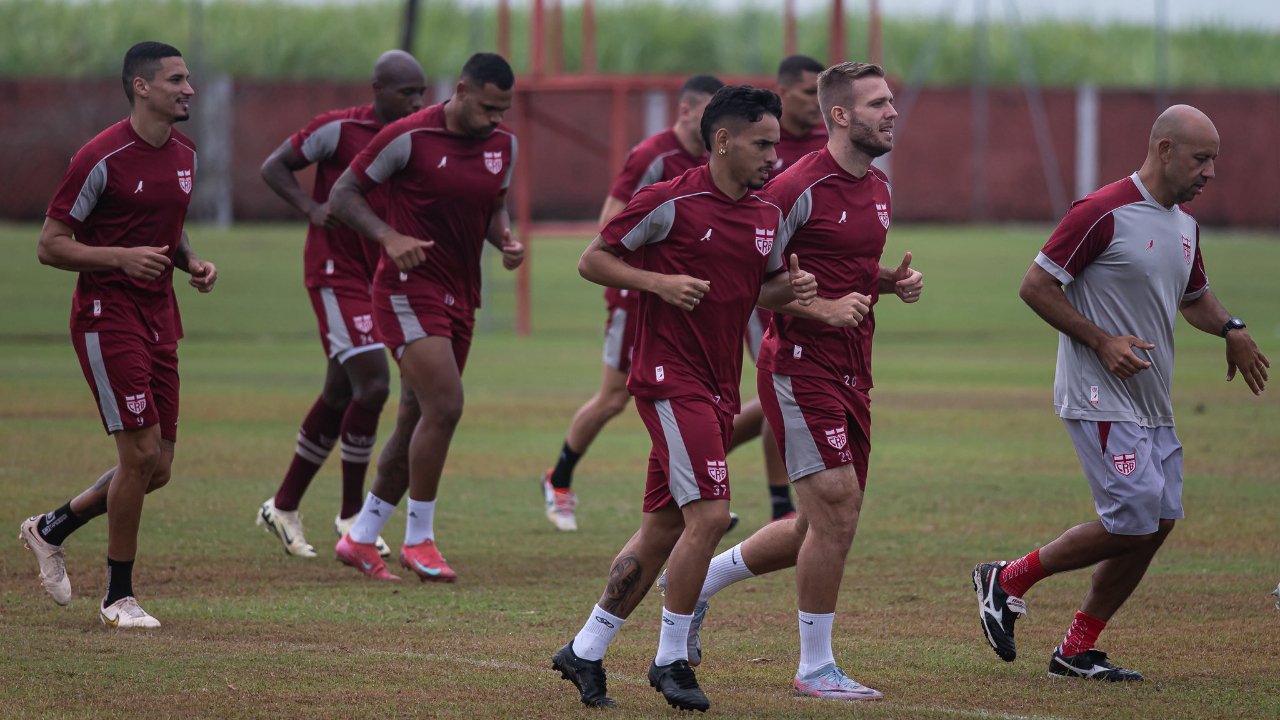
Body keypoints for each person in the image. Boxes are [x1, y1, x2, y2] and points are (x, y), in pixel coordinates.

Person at [972, 104, 1269, 681]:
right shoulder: (1102, 210)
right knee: (1133, 516)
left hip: (1152, 401)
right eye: (1200, 158)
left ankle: (1076, 649)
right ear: (1163, 150)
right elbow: (1035, 286)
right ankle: (1007, 579)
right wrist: (1103, 341)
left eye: (1215, 160)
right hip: (1096, 392)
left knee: (1155, 523)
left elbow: (1194, 298)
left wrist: (1232, 329)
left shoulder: (1185, 227)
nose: (1210, 172)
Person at [551, 85, 820, 712]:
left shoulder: (765, 216)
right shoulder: (670, 200)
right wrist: (657, 282)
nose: (773, 158)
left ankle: (585, 650)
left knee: (662, 528)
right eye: (762, 144)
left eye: (777, 145)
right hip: (670, 381)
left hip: (719, 385)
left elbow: (764, 290)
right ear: (722, 140)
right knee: (708, 516)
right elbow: (593, 260)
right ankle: (672, 659)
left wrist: (796, 289)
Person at [665, 61, 923, 701]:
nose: (892, 113)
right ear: (841, 116)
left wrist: (888, 281)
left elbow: (844, 266)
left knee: (819, 522)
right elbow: (742, 281)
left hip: (854, 369)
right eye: (877, 104)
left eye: (891, 102)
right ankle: (815, 667)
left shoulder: (881, 187)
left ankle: (701, 587)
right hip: (798, 365)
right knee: (836, 508)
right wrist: (819, 309)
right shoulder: (794, 187)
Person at [19, 41, 217, 628]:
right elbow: (50, 245)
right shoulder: (98, 157)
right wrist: (120, 259)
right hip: (107, 317)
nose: (188, 89)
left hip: (161, 316)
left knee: (159, 468)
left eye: (188, 79)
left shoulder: (186, 153)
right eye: (177, 80)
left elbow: (168, 232)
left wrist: (192, 263)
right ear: (142, 87)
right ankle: (118, 597)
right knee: (138, 455)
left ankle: (50, 528)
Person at [326, 52, 523, 583]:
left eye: (503, 110)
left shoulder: (503, 146)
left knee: (417, 416)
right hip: (407, 290)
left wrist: (503, 239)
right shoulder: (408, 136)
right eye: (486, 107)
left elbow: (493, 206)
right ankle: (419, 539)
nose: (495, 120)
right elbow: (342, 194)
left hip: (463, 294)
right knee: (446, 404)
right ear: (460, 90)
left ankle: (361, 536)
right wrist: (388, 237)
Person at [254, 50, 426, 559]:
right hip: (334, 275)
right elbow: (274, 166)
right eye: (407, 93)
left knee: (338, 392)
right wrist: (311, 208)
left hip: (376, 276)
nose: (416, 101)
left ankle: (283, 506)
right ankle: (352, 515)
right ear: (378, 89)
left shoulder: (412, 138)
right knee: (372, 383)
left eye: (421, 92)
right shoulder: (337, 130)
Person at [540, 74, 723, 532]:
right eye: (709, 114)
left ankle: (689, 495)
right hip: (636, 295)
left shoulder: (714, 160)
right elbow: (610, 225)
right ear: (685, 111)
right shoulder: (652, 156)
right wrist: (657, 279)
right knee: (614, 397)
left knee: (685, 394)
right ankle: (558, 479)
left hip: (682, 298)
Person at [737, 53, 832, 526]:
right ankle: (777, 500)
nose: (814, 102)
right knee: (780, 387)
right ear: (782, 89)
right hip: (762, 284)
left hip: (811, 285)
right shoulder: (756, 140)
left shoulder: (828, 144)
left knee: (779, 391)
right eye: (804, 91)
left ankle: (700, 460)